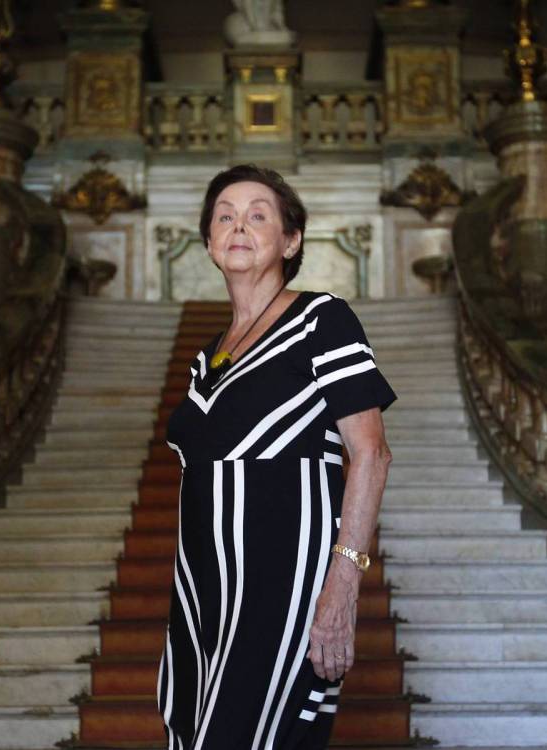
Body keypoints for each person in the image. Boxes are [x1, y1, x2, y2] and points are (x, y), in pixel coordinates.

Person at [159, 164, 396, 749]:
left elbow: (371, 454)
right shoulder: (205, 358)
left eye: (258, 214)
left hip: (282, 583)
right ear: (211, 243)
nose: (239, 225)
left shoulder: (322, 321)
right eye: (225, 215)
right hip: (203, 588)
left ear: (290, 241)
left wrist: (343, 585)